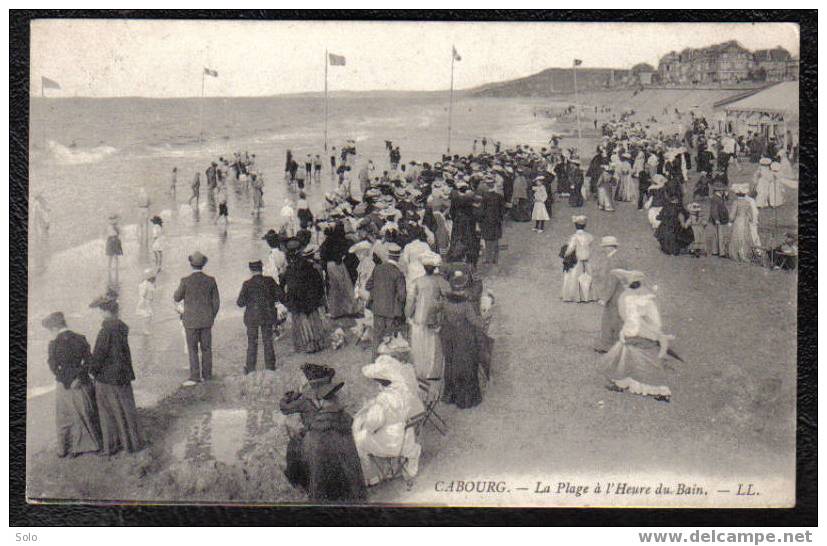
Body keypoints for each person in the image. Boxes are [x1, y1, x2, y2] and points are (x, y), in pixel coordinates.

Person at [279, 364, 367, 503]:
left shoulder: (306, 403)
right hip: (352, 490)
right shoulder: (344, 418)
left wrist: (288, 397)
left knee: (296, 449)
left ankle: (299, 482)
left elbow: (284, 408)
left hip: (315, 440)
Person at [601, 269, 678, 403]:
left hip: (633, 333)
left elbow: (624, 316)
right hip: (641, 334)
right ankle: (628, 383)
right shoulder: (647, 298)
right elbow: (654, 320)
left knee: (629, 359)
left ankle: (657, 388)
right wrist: (656, 333)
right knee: (635, 359)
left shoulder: (625, 297)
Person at [352, 355, 425, 485]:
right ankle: (390, 467)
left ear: (380, 382)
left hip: (393, 440)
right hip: (407, 434)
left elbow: (372, 424)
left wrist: (366, 418)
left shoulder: (383, 399)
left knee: (359, 438)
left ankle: (373, 475)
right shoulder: (403, 391)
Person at [88, 295, 144, 455]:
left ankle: (111, 446)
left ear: (105, 311)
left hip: (107, 378)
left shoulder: (106, 330)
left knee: (107, 413)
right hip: (123, 375)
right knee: (126, 410)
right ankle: (132, 444)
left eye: (100, 310)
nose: (99, 313)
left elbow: (99, 355)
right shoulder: (121, 327)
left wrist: (92, 372)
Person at [42, 311, 102, 458]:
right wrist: (79, 377)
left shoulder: (53, 344)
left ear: (54, 328)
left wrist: (68, 380)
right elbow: (89, 361)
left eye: (50, 330)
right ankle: (90, 445)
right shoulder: (80, 338)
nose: (51, 333)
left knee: (65, 417)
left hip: (64, 384)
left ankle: (66, 449)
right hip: (82, 383)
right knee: (86, 413)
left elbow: (53, 366)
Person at [173, 251, 221, 386]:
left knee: (192, 349)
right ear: (203, 265)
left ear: (191, 264)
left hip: (190, 321)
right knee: (206, 348)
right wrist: (211, 316)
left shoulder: (185, 281)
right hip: (206, 321)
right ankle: (207, 375)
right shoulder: (211, 280)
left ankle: (195, 376)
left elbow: (177, 297)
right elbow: (216, 303)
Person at [440, 269, 485, 409]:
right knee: (467, 365)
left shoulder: (446, 302)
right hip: (464, 338)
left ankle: (450, 395)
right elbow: (475, 322)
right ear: (462, 290)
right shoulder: (466, 305)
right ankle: (466, 399)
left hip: (449, 337)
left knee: (450, 364)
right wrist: (484, 320)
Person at [405, 252, 445, 379]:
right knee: (432, 345)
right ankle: (432, 372)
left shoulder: (417, 282)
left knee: (419, 345)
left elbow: (410, 301)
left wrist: (408, 314)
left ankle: (420, 371)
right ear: (434, 268)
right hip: (434, 317)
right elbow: (446, 297)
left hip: (419, 317)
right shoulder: (439, 281)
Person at [237, 260, 281, 374]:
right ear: (262, 268)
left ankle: (250, 368)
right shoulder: (269, 281)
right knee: (268, 340)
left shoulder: (247, 284)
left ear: (251, 270)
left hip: (252, 317)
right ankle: (270, 367)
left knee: (252, 342)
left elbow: (240, 303)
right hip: (267, 314)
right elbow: (280, 296)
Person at [283, 239, 327, 353]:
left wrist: (287, 300)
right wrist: (318, 296)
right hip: (310, 299)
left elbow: (285, 285)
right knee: (314, 320)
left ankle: (306, 345)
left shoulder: (289, 269)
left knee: (301, 322)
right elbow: (318, 283)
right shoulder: (309, 266)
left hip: (297, 300)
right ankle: (318, 343)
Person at [366, 243, 407, 359]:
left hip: (377, 309)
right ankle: (387, 366)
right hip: (391, 312)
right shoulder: (398, 273)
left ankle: (375, 362)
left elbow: (368, 285)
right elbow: (402, 296)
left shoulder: (378, 268)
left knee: (377, 338)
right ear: (398, 257)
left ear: (388, 256)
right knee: (389, 340)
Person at [594, 236, 630, 353]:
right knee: (616, 319)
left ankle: (607, 345)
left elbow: (612, 281)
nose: (603, 250)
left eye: (604, 247)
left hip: (615, 294)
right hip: (622, 292)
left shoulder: (613, 261)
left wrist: (604, 298)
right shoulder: (619, 257)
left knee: (609, 320)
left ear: (609, 247)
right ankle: (615, 343)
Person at [319, 222, 359, 319]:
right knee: (345, 287)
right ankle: (349, 309)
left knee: (334, 288)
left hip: (330, 265)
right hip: (339, 265)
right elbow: (346, 251)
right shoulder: (342, 240)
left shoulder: (326, 242)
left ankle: (336, 311)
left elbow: (322, 255)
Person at [561, 215, 595, 303]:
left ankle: (573, 296)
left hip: (577, 260)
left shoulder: (574, 237)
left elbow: (570, 249)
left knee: (573, 277)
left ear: (575, 225)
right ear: (585, 226)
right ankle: (588, 295)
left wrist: (565, 254)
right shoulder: (589, 236)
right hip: (586, 260)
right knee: (588, 277)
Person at [728, 184, 758, 263]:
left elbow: (732, 215)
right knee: (744, 237)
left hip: (738, 221)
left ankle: (736, 254)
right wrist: (750, 219)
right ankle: (743, 254)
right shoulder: (747, 202)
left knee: (737, 237)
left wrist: (730, 220)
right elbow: (750, 215)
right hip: (745, 221)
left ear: (736, 194)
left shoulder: (736, 202)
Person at [479, 180, 505, 264]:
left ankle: (487, 258)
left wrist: (480, 220)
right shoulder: (499, 196)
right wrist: (500, 218)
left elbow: (482, 211)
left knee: (487, 240)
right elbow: (502, 210)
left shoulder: (484, 197)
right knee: (496, 239)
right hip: (496, 221)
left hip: (487, 221)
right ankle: (495, 259)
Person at [705, 182, 731, 257]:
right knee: (720, 236)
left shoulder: (718, 197)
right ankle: (721, 252)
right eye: (722, 190)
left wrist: (726, 196)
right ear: (718, 191)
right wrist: (716, 218)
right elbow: (714, 210)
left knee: (717, 235)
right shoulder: (716, 198)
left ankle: (715, 251)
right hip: (718, 219)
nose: (723, 191)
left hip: (719, 219)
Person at [136, 269, 156, 335]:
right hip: (145, 302)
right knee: (147, 316)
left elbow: (152, 292)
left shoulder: (150, 284)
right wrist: (142, 303)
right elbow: (142, 295)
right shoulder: (144, 284)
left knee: (149, 316)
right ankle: (145, 330)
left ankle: (146, 329)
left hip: (149, 302)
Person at [105, 215, 123, 286]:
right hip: (110, 239)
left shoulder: (117, 226)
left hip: (115, 239)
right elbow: (107, 233)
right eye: (111, 219)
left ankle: (116, 267)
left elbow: (119, 232)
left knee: (116, 255)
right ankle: (109, 267)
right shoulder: (109, 226)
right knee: (110, 255)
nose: (112, 221)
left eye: (113, 219)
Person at [136, 187, 151, 252]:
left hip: (140, 209)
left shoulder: (139, 196)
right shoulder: (147, 196)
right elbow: (149, 202)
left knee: (141, 224)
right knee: (146, 224)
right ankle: (146, 237)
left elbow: (137, 203)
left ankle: (141, 237)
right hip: (146, 209)